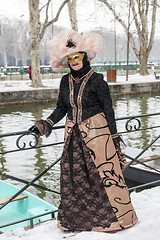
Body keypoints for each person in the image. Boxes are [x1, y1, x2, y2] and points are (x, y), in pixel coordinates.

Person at [30, 29, 138, 232]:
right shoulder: (65, 82)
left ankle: (114, 221)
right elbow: (62, 108)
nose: (74, 61)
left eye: (77, 56)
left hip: (99, 135)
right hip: (73, 137)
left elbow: (109, 110)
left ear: (85, 57)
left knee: (103, 177)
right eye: (70, 58)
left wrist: (114, 138)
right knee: (74, 178)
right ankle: (78, 221)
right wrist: (46, 124)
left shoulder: (97, 80)